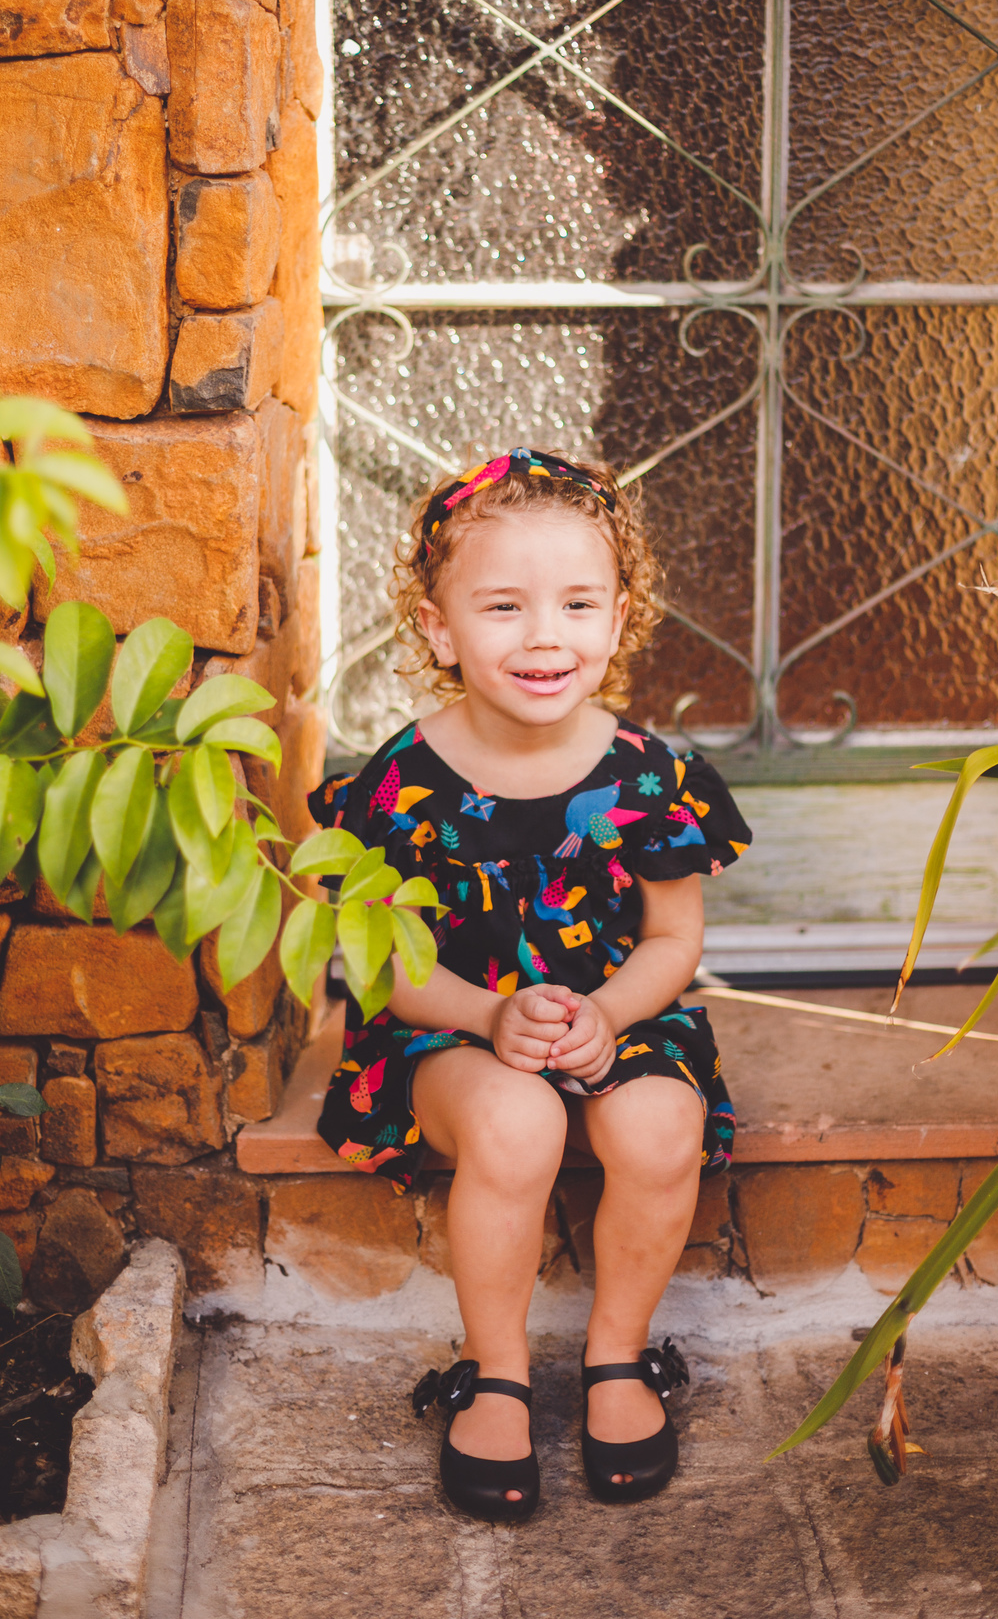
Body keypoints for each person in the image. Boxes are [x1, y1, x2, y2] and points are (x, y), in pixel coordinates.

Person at [307, 447, 751, 1520]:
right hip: (451, 1034)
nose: (545, 635)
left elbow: (671, 939)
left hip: (615, 1016)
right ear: (436, 624)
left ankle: (615, 1359)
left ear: (620, 614)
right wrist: (489, 1015)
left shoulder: (652, 777)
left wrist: (606, 1014)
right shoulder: (402, 784)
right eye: (502, 606)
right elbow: (389, 962)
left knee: (655, 1131)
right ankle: (495, 1372)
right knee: (513, 1126)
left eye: (577, 603)